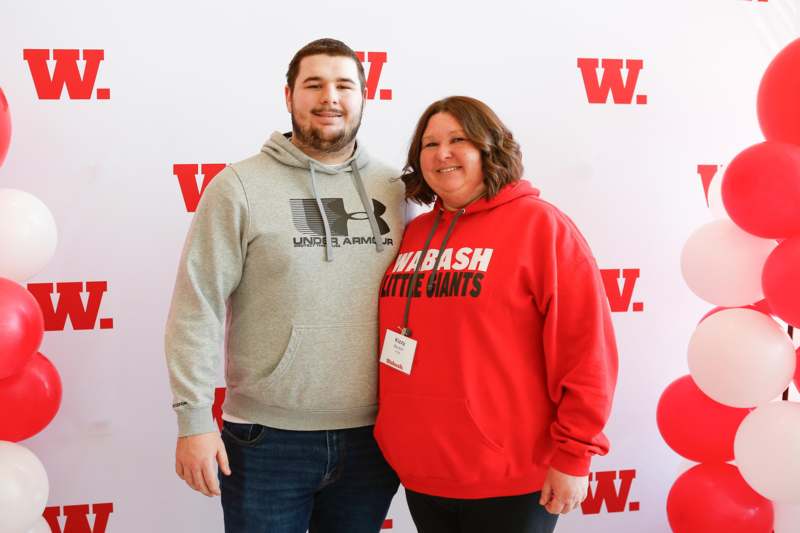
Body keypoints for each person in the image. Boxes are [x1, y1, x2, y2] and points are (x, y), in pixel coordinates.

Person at [164, 38, 404, 533]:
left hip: (375, 438)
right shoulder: (239, 186)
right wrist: (193, 420)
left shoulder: (397, 188)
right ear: (289, 95)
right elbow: (197, 304)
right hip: (266, 440)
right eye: (313, 85)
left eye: (344, 85)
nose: (329, 98)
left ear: (364, 96)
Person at [374, 96, 618, 533]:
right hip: (425, 473)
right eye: (429, 144)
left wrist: (576, 454)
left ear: (491, 148)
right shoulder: (415, 232)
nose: (441, 153)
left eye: (457, 140)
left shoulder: (541, 227)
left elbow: (586, 351)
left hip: (510, 478)